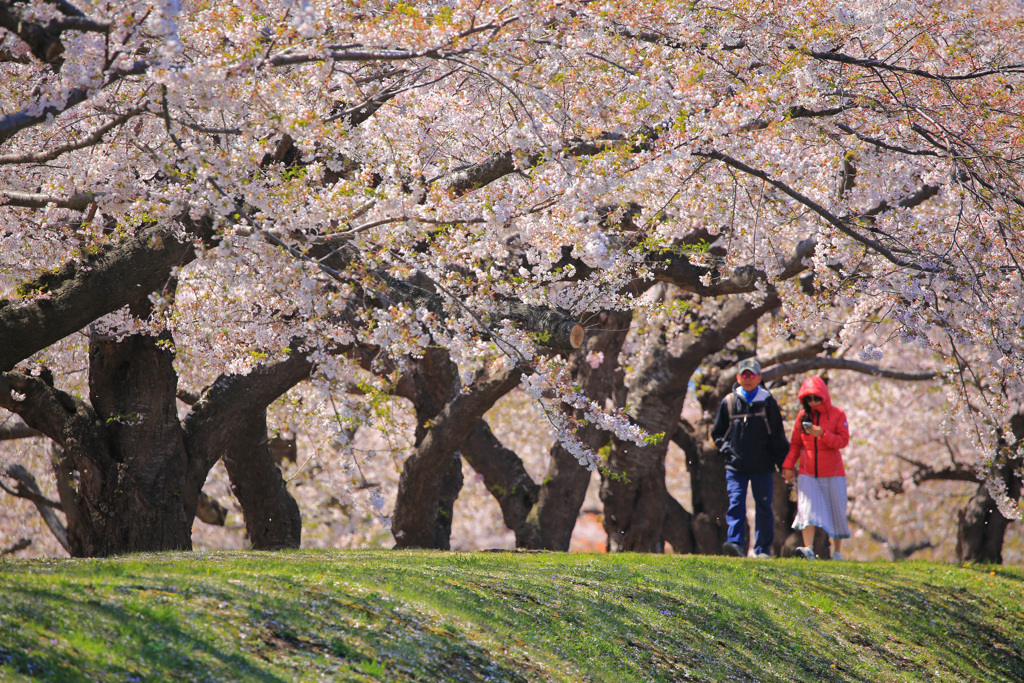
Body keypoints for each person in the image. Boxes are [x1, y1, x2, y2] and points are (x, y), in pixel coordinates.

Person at [711, 358, 790, 559]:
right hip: (735, 465)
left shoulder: (768, 403)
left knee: (763, 506)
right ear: (738, 377)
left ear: (759, 378)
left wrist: (784, 465)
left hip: (763, 466)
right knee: (736, 503)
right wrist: (727, 449)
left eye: (751, 375)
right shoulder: (729, 402)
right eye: (744, 375)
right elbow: (717, 433)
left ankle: (762, 549)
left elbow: (778, 438)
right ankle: (735, 544)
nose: (748, 379)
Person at [781, 376, 851, 560]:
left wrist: (823, 434)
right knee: (807, 508)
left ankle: (837, 551)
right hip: (808, 471)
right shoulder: (801, 417)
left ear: (824, 397)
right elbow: (796, 445)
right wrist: (788, 465)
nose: (812, 402)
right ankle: (808, 548)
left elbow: (842, 441)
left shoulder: (838, 414)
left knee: (836, 509)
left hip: (833, 472)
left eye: (816, 398)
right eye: (808, 399)